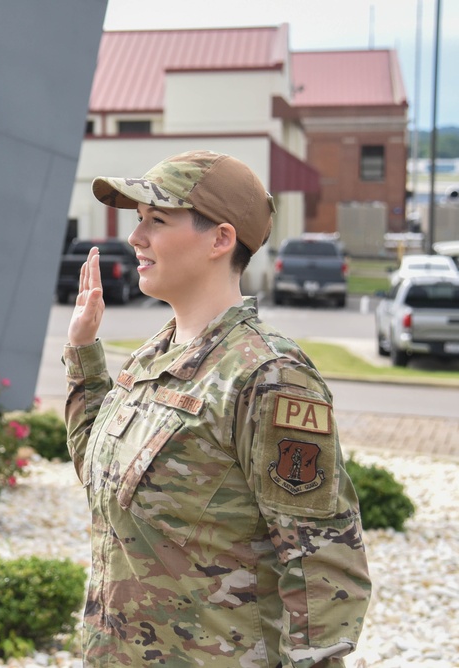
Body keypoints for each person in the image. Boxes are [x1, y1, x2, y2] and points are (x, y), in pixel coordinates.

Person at [64, 150, 371, 666]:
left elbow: (321, 560)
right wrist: (84, 353)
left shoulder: (268, 376)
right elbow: (99, 475)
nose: (136, 238)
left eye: (157, 221)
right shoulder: (152, 356)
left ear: (221, 239)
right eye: (139, 221)